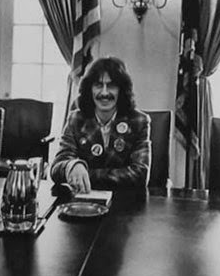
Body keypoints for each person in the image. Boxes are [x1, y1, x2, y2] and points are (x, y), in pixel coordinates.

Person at [50, 56, 151, 192]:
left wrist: (85, 175)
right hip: (84, 204)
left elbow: (140, 175)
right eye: (98, 85)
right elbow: (56, 168)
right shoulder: (76, 119)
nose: (104, 93)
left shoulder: (139, 121)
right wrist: (72, 166)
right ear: (89, 89)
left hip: (126, 204)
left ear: (121, 90)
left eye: (111, 86)